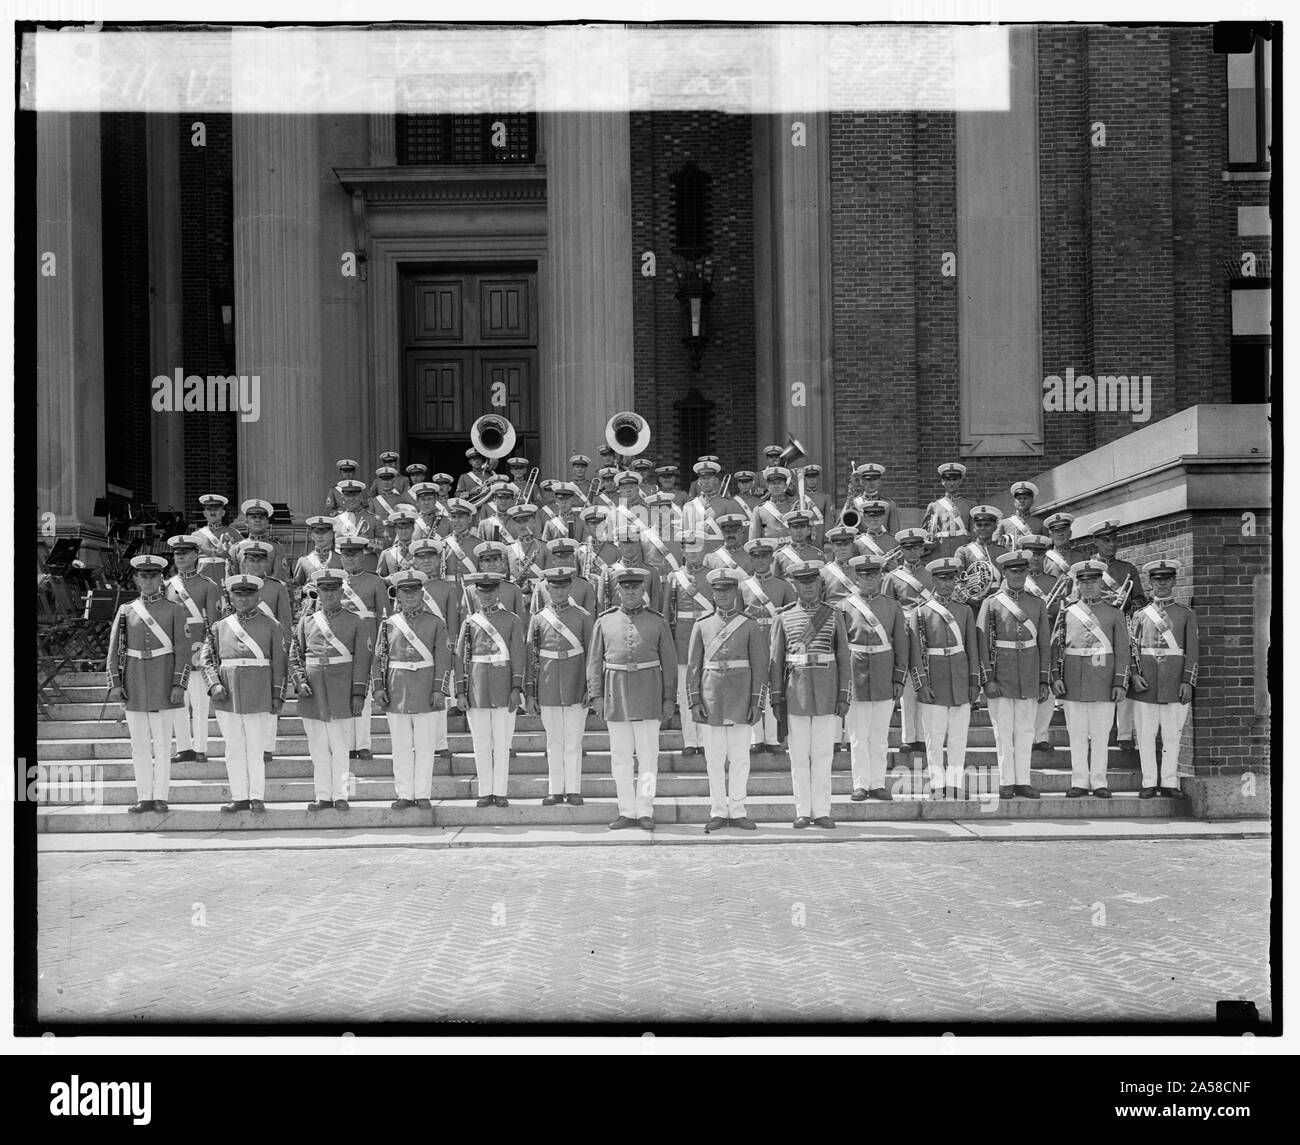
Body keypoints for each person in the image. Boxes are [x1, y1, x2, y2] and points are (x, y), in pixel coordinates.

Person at [588, 567, 677, 831]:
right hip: (615, 696)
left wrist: (669, 697)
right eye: (624, 588)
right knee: (620, 758)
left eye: (635, 588)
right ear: (617, 591)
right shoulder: (604, 621)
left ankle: (645, 809)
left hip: (649, 694)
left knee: (649, 758)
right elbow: (594, 662)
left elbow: (669, 663)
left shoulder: (657, 621)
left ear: (643, 591)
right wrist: (596, 695)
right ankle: (626, 809)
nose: (630, 592)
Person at [106, 554, 190, 814]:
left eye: (153, 575)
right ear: (135, 579)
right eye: (143, 576)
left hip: (163, 681)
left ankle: (161, 796)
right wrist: (116, 682)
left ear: (161, 578)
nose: (149, 580)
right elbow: (114, 650)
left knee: (163, 743)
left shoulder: (175, 610)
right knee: (139, 745)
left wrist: (179, 684)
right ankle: (144, 796)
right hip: (134, 681)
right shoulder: (126, 610)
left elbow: (183, 650)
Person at [769, 560, 850, 829]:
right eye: (802, 582)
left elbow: (843, 657)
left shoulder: (834, 614)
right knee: (799, 757)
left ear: (819, 584)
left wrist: (842, 695)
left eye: (812, 582)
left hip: (827, 692)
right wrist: (777, 698)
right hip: (797, 693)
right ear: (794, 586)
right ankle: (803, 810)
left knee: (824, 756)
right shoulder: (783, 616)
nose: (807, 587)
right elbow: (776, 660)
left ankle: (822, 810)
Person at [687, 569, 767, 832]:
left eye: (728, 591)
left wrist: (757, 702)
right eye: (718, 591)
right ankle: (718, 811)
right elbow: (694, 667)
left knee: (741, 759)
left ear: (735, 593)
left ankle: (738, 810)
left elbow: (759, 666)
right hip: (711, 700)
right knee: (713, 759)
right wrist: (694, 700)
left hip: (741, 698)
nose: (723, 595)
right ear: (713, 593)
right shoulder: (702, 624)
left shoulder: (749, 624)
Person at [201, 573, 287, 814]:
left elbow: (280, 663)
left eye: (248, 594)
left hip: (258, 691)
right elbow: (206, 660)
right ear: (231, 596)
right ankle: (239, 797)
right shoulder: (220, 626)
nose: (243, 599)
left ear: (258, 596)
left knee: (256, 748)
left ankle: (257, 797)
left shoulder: (272, 625)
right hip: (227, 693)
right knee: (233, 748)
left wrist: (276, 695)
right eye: (238, 594)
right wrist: (214, 684)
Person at [291, 568, 373, 811]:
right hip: (313, 692)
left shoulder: (354, 621)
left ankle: (343, 795)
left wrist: (358, 692)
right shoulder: (306, 622)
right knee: (317, 748)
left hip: (341, 690)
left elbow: (362, 659)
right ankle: (323, 796)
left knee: (341, 748)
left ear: (341, 591)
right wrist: (300, 681)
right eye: (324, 590)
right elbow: (295, 654)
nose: (329, 594)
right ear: (318, 592)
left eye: (333, 589)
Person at [373, 569, 453, 811]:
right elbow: (379, 658)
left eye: (414, 591)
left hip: (426, 688)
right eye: (404, 592)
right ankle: (404, 793)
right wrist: (378, 688)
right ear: (397, 595)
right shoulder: (388, 624)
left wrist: (440, 689)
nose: (409, 596)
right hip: (397, 691)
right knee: (400, 746)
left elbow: (443, 658)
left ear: (422, 593)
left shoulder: (435, 623)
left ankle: (423, 794)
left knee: (426, 745)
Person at [1051, 559, 1130, 798]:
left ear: (1100, 583)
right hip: (1073, 681)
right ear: (1078, 585)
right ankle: (1079, 781)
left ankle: (1099, 781)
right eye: (1083, 582)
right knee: (1076, 735)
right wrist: (1056, 676)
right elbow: (1056, 646)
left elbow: (1123, 650)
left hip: (1103, 682)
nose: (1088, 587)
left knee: (1100, 735)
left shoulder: (1114, 613)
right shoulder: (1068, 610)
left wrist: (1119, 682)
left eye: (1093, 582)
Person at [977, 550, 1052, 799]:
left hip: (1029, 676)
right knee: (1003, 732)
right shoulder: (991, 603)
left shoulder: (1037, 603)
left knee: (1026, 731)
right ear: (1005, 573)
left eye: (1022, 570)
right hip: (1002, 676)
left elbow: (1044, 643)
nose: (1018, 575)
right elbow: (982, 643)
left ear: (1028, 572)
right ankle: (1006, 781)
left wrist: (1043, 679)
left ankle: (1023, 780)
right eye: (1013, 570)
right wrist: (987, 679)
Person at [840, 554, 909, 801]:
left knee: (879, 736)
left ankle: (878, 783)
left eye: (873, 574)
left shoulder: (892, 606)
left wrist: (899, 678)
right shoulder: (845, 606)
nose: (868, 579)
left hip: (884, 674)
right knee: (858, 736)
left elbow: (901, 644)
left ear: (881, 576)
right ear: (855, 577)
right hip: (855, 675)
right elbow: (840, 647)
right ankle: (860, 784)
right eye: (863, 575)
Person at [1128, 559, 1198, 799]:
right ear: (1150, 583)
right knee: (1146, 736)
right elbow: (1132, 649)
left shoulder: (1185, 614)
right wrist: (1134, 676)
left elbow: (1193, 650)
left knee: (1172, 736)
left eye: (1166, 579)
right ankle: (1149, 782)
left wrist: (1187, 681)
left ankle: (1169, 782)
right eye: (1157, 579)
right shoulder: (1139, 615)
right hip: (1145, 683)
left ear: (1174, 581)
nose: (1162, 584)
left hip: (1174, 683)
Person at [913, 557, 982, 799]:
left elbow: (972, 648)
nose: (946, 584)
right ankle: (936, 783)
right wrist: (921, 684)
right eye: (942, 579)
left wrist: (975, 682)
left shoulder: (964, 611)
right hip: (935, 680)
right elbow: (915, 653)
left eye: (951, 578)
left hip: (961, 680)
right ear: (933, 580)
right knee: (934, 737)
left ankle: (955, 783)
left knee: (958, 737)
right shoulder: (921, 611)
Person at [525, 566, 594, 806]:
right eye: (554, 587)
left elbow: (593, 655)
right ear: (547, 589)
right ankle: (555, 790)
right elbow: (531, 656)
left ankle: (573, 789)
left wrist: (590, 688)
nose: (559, 592)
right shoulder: (538, 619)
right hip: (548, 685)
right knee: (553, 741)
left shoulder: (583, 616)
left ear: (569, 588)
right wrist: (530, 691)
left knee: (574, 740)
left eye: (563, 587)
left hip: (576, 682)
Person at [457, 571, 526, 808]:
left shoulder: (512, 620)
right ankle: (485, 791)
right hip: (477, 688)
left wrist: (516, 687)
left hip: (504, 687)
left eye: (490, 592)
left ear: (498, 592)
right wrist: (460, 691)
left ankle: (501, 791)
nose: (486, 596)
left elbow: (518, 655)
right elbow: (460, 658)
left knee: (502, 742)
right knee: (481, 743)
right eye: (481, 592)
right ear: (476, 594)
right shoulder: (469, 621)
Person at [1088, 519, 1148, 750]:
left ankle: (1124, 735)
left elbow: (1142, 600)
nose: (1111, 544)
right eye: (1106, 540)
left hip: (1122, 629)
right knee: (1099, 678)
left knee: (1124, 677)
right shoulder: (1088, 568)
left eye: (1114, 539)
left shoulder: (1128, 569)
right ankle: (1097, 733)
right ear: (1096, 542)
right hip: (1096, 631)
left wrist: (1130, 602)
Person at [164, 534, 223, 764]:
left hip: (199, 647)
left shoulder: (209, 585)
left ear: (195, 555)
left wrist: (207, 652)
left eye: (184, 553)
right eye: (177, 554)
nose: (179, 557)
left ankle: (200, 747)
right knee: (179, 701)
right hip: (175, 649)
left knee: (199, 702)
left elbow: (214, 622)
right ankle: (184, 747)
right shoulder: (168, 585)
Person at [882, 527, 935, 755]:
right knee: (907, 687)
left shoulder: (932, 574)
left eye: (916, 547)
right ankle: (908, 736)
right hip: (904, 633)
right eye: (907, 548)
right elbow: (887, 609)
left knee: (924, 682)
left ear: (923, 549)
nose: (912, 552)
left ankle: (922, 736)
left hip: (928, 633)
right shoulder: (892, 577)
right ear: (901, 551)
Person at [740, 538, 794, 753]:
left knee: (774, 688)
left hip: (775, 640)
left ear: (772, 558)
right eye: (755, 556)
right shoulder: (743, 586)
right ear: (750, 559)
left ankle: (773, 738)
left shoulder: (783, 585)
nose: (760, 560)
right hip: (752, 641)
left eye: (764, 556)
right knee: (752, 687)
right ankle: (756, 737)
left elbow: (790, 617)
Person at [408, 536, 460, 761]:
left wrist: (450, 648)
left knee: (441, 696)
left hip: (438, 650)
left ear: (439, 559)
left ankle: (440, 742)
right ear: (414, 561)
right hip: (413, 650)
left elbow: (452, 621)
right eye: (421, 557)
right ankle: (414, 743)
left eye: (431, 557)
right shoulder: (408, 587)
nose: (426, 561)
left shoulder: (448, 588)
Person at [336, 535, 387, 762]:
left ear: (362, 556)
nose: (350, 559)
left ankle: (363, 744)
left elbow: (385, 616)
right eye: (346, 555)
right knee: (345, 694)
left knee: (364, 695)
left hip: (367, 641)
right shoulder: (335, 581)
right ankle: (347, 744)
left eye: (355, 555)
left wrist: (380, 644)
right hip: (341, 643)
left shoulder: (374, 582)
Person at [665, 535, 715, 758]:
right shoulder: (674, 577)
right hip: (682, 640)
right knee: (685, 694)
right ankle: (690, 740)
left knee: (706, 690)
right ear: (683, 552)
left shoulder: (711, 576)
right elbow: (667, 613)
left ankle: (704, 739)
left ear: (703, 551)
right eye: (689, 550)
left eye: (697, 550)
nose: (693, 554)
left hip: (707, 639)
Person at [1015, 534, 1066, 752]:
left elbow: (1062, 612)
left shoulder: (1054, 582)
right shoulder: (1015, 580)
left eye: (1039, 554)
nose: (1034, 558)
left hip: (1047, 640)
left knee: (1046, 686)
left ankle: (1041, 735)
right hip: (1023, 640)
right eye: (1030, 554)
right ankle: (1021, 734)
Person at [953, 505, 1008, 606]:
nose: (982, 528)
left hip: (999, 603)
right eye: (979, 525)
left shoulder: (1004, 552)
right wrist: (969, 599)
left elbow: (1007, 579)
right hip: (972, 605)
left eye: (987, 525)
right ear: (974, 527)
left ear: (995, 527)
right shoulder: (963, 551)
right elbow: (955, 580)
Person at [923, 462, 974, 559]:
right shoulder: (934, 506)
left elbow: (974, 534)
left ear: (960, 481)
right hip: (940, 551)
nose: (952, 483)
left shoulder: (970, 505)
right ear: (942, 481)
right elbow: (925, 534)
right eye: (948, 480)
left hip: (963, 550)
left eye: (955, 479)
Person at [331, 478, 383, 575]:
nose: (351, 498)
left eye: (354, 495)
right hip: (342, 568)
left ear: (361, 496)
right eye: (347, 495)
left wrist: (369, 543)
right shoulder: (335, 521)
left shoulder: (374, 519)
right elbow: (331, 549)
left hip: (368, 566)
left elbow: (385, 545)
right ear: (342, 497)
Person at [192, 493, 242, 581]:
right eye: (208, 509)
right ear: (204, 513)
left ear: (223, 513)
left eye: (216, 509)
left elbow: (241, 561)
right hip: (202, 580)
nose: (212, 512)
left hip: (225, 578)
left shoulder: (234, 534)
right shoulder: (195, 536)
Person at [239, 499, 291, 582]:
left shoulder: (276, 548)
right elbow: (232, 577)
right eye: (253, 517)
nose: (257, 520)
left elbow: (278, 577)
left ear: (267, 521)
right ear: (246, 522)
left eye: (261, 517)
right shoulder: (236, 548)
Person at [848, 464, 901, 535]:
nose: (872, 482)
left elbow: (894, 532)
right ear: (862, 482)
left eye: (875, 479)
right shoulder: (854, 503)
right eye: (868, 479)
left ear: (879, 482)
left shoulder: (889, 504)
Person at [749, 466, 797, 542]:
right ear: (767, 486)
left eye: (779, 483)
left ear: (785, 485)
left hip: (791, 551)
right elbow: (754, 539)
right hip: (770, 551)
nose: (776, 486)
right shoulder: (759, 510)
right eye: (773, 483)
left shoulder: (795, 506)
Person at [773, 509, 823, 578]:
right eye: (795, 527)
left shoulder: (818, 555)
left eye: (802, 526)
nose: (799, 530)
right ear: (788, 531)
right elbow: (776, 582)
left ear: (808, 530)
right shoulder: (779, 556)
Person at [995, 481, 1046, 548]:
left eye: (1025, 498)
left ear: (1032, 502)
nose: (1022, 501)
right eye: (1019, 498)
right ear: (1014, 502)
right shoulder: (1003, 523)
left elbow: (1046, 545)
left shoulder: (1040, 524)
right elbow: (995, 545)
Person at [1043, 512, 1088, 579]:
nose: (1060, 534)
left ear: (1070, 533)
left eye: (1063, 530)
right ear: (1051, 536)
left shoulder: (1082, 557)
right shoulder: (1044, 559)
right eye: (1056, 531)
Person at [376, 511, 419, 578]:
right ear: (395, 529)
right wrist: (387, 580)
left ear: (413, 529)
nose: (403, 531)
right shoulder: (386, 554)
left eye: (407, 528)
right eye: (400, 528)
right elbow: (379, 579)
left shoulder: (419, 551)